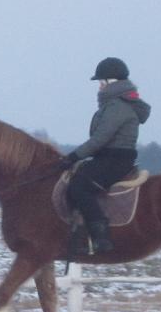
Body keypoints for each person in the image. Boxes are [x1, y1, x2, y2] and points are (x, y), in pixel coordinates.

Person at [58, 56, 151, 255]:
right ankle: (80, 232)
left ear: (111, 83)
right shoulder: (115, 104)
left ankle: (101, 238)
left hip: (115, 159)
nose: (99, 87)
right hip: (108, 157)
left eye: (101, 82)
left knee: (79, 187)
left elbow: (100, 138)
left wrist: (72, 157)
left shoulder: (118, 107)